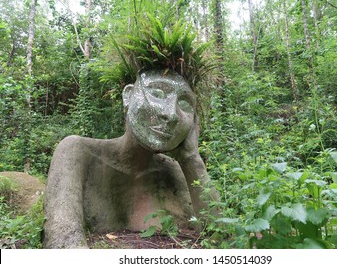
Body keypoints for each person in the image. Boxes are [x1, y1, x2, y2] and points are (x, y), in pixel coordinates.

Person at [44, 69, 217, 248]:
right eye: (157, 93)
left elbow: (221, 237)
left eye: (184, 103)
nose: (171, 114)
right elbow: (63, 243)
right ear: (128, 95)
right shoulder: (77, 151)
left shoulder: (173, 170)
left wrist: (191, 159)